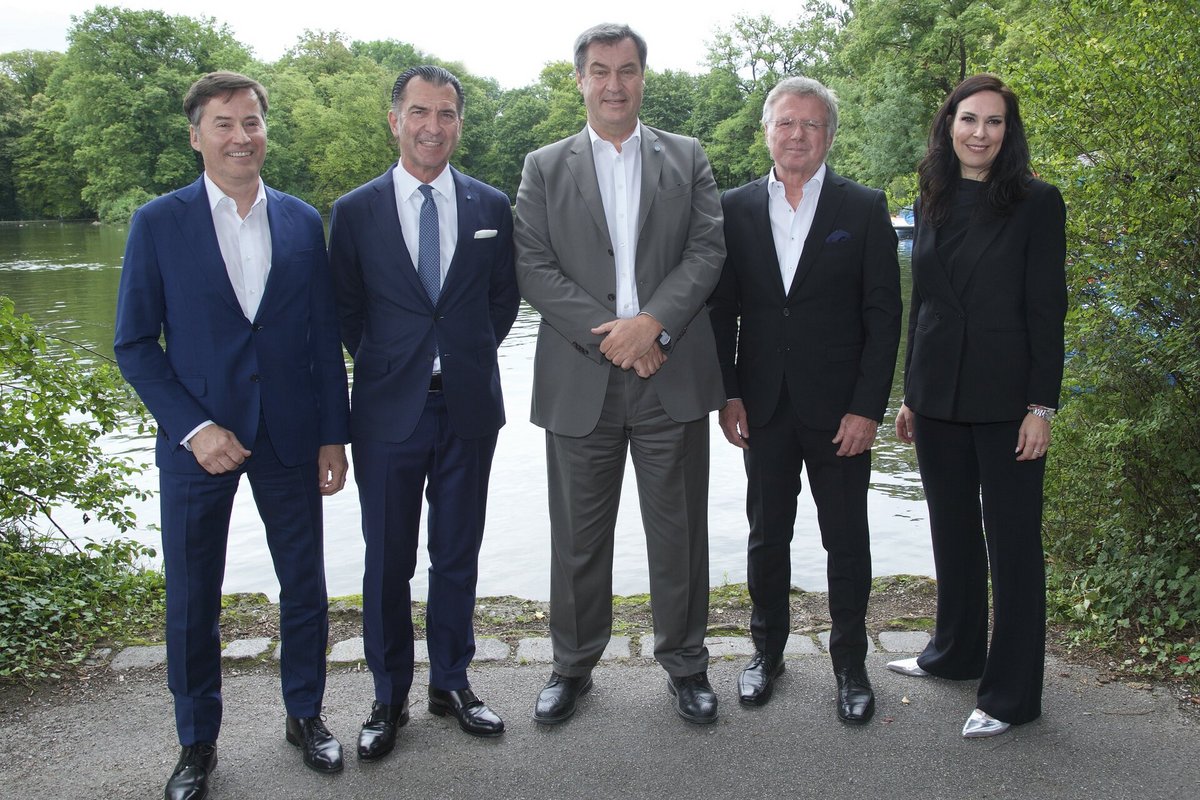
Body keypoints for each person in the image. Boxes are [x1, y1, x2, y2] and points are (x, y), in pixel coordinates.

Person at [114, 71, 351, 800]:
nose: (241, 137)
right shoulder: (158, 223)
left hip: (289, 435)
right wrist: (194, 427)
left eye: (251, 122)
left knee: (304, 586)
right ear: (196, 136)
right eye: (224, 124)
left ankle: (305, 715)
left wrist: (333, 436)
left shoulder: (301, 221)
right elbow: (134, 345)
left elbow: (322, 337)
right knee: (193, 598)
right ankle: (196, 743)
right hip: (199, 443)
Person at [514, 23, 726, 726]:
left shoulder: (686, 156)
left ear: (642, 77)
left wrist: (653, 324)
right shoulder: (544, 166)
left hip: (671, 373)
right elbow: (532, 268)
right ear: (579, 79)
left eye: (627, 70)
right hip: (582, 380)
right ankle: (572, 666)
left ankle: (687, 665)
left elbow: (706, 250)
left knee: (679, 534)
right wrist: (620, 340)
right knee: (578, 538)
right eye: (600, 71)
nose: (614, 84)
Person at [328, 65, 519, 758]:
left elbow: (503, 301)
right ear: (395, 120)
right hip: (387, 415)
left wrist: (459, 356)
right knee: (387, 561)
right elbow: (347, 311)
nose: (432, 126)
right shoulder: (355, 211)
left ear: (459, 123)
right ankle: (388, 697)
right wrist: (395, 364)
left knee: (457, 554)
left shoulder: (491, 205)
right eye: (419, 112)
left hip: (469, 408)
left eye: (445, 113)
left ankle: (452, 683)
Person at [708, 76, 901, 724]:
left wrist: (868, 408)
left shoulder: (863, 207)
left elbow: (883, 317)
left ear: (829, 135)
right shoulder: (734, 208)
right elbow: (722, 310)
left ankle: (850, 665)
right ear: (767, 130)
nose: (798, 135)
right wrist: (729, 393)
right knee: (767, 537)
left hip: (841, 411)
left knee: (846, 540)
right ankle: (767, 653)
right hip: (761, 407)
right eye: (786, 122)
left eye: (812, 124)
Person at [888, 73, 1067, 738]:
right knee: (953, 531)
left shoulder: (1037, 202)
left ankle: (1011, 695)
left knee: (1013, 546)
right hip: (938, 397)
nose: (980, 132)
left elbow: (1048, 311)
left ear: (1007, 132)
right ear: (949, 125)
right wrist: (911, 393)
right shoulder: (931, 196)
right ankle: (955, 653)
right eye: (969, 119)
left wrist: (1041, 407)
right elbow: (925, 305)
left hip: (1007, 403)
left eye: (994, 121)